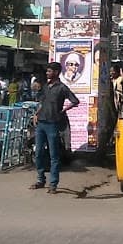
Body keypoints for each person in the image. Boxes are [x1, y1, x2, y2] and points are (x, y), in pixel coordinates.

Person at [33, 62, 76, 194]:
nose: (47, 73)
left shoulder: (62, 88)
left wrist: (63, 111)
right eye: (47, 71)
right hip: (41, 123)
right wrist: (36, 113)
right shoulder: (46, 87)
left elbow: (75, 101)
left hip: (52, 124)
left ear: (56, 72)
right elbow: (42, 102)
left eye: (49, 71)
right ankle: (41, 179)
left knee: (54, 155)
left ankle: (53, 184)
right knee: (38, 153)